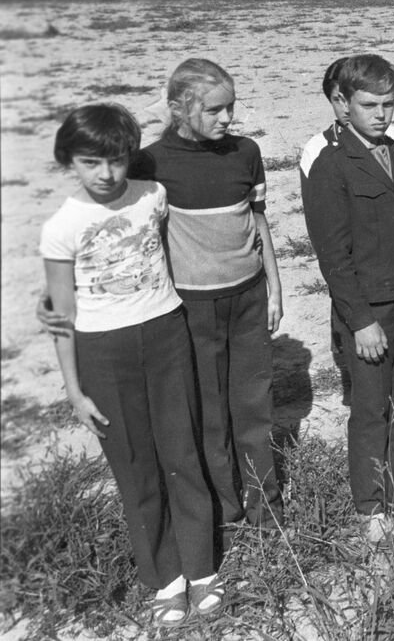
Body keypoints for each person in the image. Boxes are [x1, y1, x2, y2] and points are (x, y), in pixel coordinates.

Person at [40, 104, 220, 626]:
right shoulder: (62, 227)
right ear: (68, 162)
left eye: (116, 161)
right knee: (135, 467)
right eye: (90, 162)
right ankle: (165, 578)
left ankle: (202, 567)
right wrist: (74, 391)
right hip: (102, 351)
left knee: (182, 452)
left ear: (129, 158)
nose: (105, 174)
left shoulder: (152, 196)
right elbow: (61, 316)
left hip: (165, 334)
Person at [137, 58, 283, 528]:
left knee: (253, 407)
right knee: (211, 413)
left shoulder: (246, 152)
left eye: (231, 107)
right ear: (180, 109)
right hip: (192, 306)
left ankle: (267, 512)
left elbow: (258, 223)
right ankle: (226, 511)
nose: (228, 118)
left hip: (248, 299)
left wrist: (275, 286)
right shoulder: (153, 162)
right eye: (215, 110)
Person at [303, 54, 394, 544]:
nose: (381, 114)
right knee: (371, 407)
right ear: (342, 103)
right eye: (369, 104)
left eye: (388, 103)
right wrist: (359, 320)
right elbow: (333, 257)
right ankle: (370, 503)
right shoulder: (331, 165)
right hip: (369, 312)